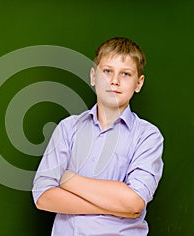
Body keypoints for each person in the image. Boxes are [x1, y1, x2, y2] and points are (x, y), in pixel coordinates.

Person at [32, 37, 164, 235]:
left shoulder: (148, 136)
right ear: (93, 76)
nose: (114, 81)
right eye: (107, 71)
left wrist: (67, 178)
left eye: (126, 74)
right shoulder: (68, 128)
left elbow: (134, 201)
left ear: (139, 83)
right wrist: (114, 207)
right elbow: (43, 197)